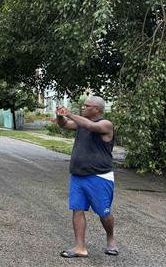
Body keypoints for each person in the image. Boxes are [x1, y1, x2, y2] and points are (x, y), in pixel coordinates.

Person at [56, 96, 118, 258]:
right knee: (77, 210)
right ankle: (80, 247)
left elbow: (89, 125)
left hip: (100, 176)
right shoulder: (81, 123)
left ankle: (110, 238)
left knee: (104, 213)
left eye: (86, 105)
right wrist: (60, 115)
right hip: (78, 175)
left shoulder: (106, 124)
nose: (83, 107)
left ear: (97, 109)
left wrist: (69, 113)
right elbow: (64, 124)